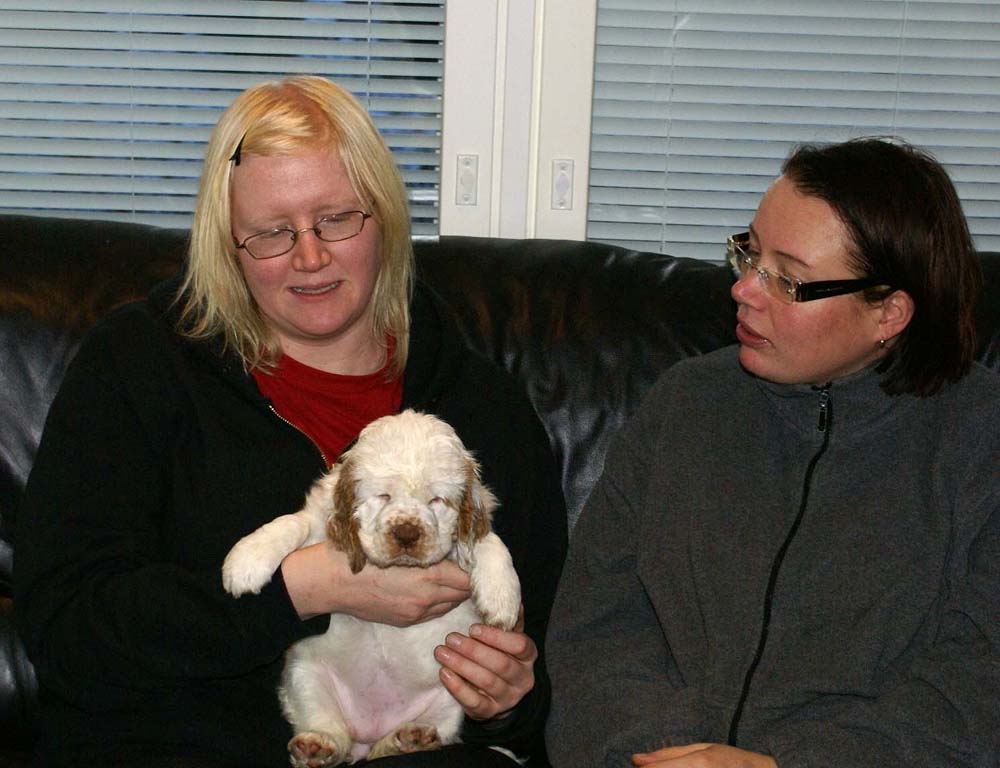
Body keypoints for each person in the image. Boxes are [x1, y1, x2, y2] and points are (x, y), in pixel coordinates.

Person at [14, 75, 566, 767]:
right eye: (272, 233)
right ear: (228, 245)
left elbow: (554, 655)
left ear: (385, 218)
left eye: (337, 218)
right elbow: (67, 629)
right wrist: (302, 590)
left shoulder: (482, 408)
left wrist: (509, 700)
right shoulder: (137, 366)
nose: (310, 256)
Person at [544, 137, 999, 767]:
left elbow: (976, 689)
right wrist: (653, 756)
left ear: (889, 314)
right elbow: (597, 628)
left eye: (787, 280)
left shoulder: (981, 440)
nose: (745, 290)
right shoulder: (687, 404)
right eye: (750, 253)